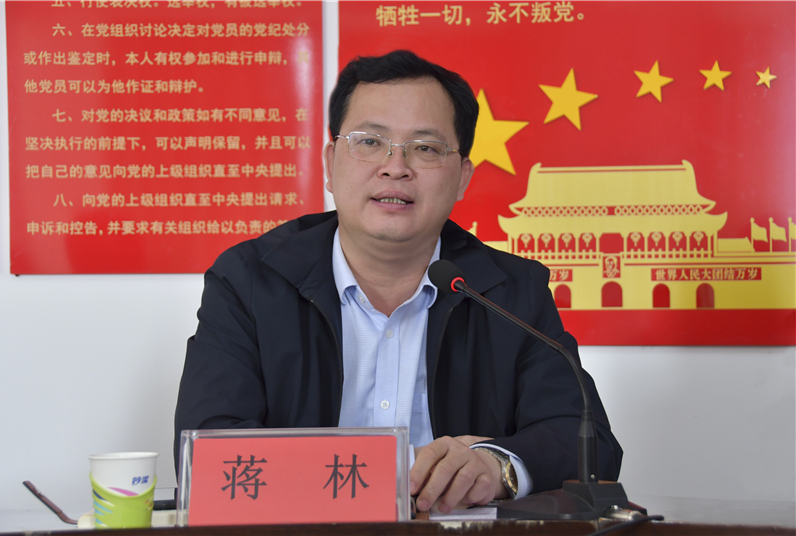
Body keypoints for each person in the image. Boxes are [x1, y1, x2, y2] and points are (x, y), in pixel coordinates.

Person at [174, 50, 622, 514]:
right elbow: (207, 446)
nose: (395, 166)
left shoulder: (510, 290)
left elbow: (589, 442)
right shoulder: (251, 281)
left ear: (462, 177)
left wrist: (496, 467)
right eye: (370, 142)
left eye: (425, 148)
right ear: (330, 163)